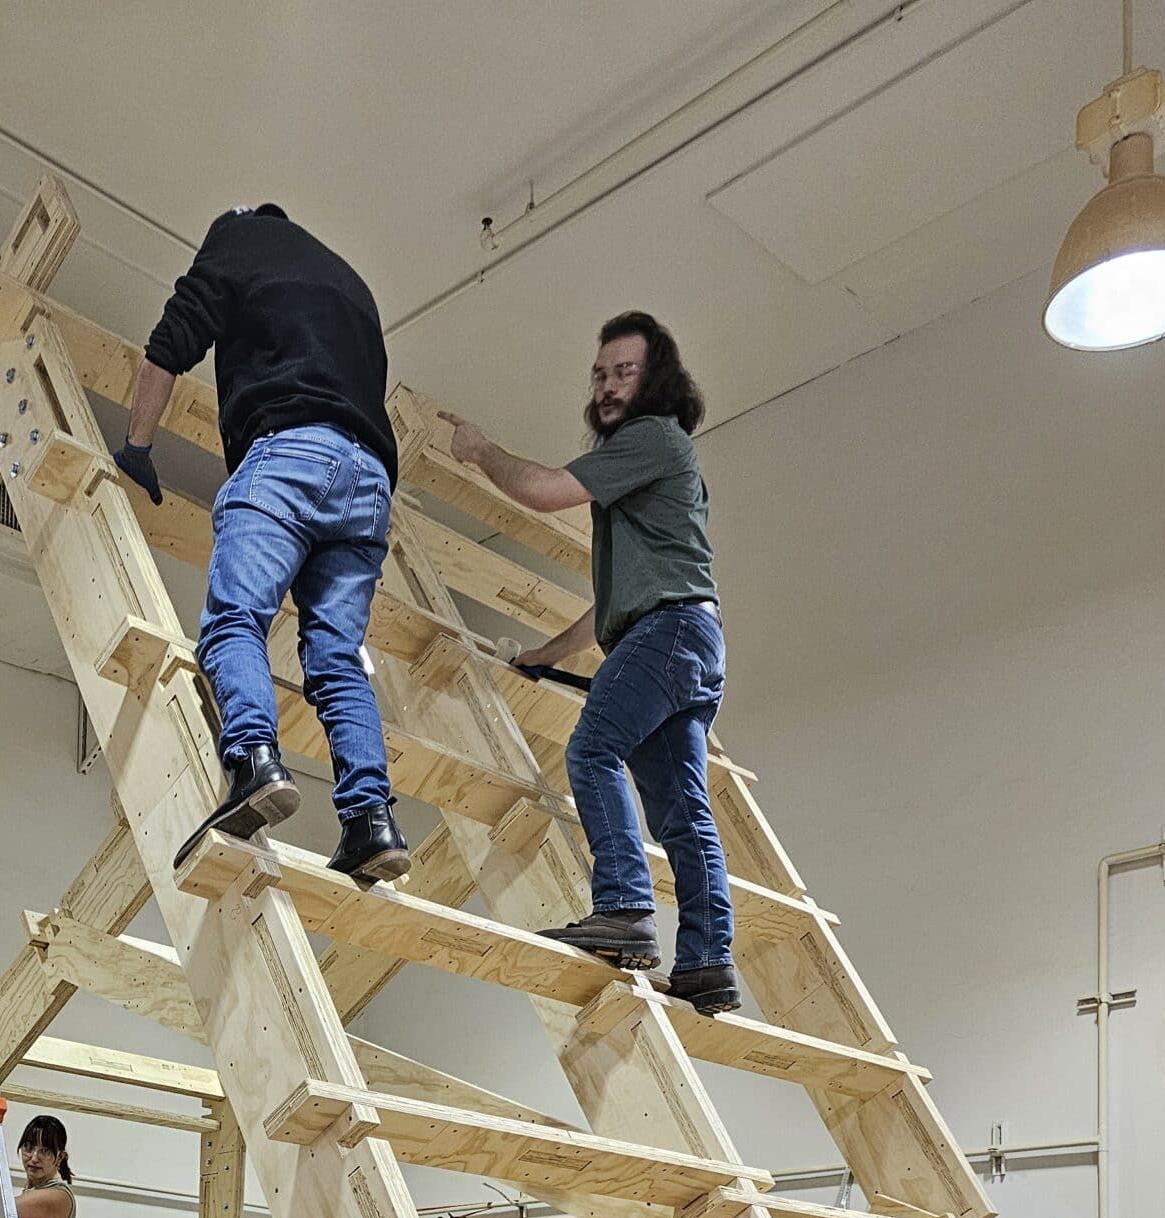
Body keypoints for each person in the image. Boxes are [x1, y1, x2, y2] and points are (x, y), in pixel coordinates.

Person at [442, 313, 739, 1015]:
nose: (607, 387)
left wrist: (481, 450)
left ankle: (626, 909)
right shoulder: (650, 474)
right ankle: (708, 962)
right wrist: (543, 656)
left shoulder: (653, 436)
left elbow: (545, 491)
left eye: (623, 372)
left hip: (670, 634)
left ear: (655, 379)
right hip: (689, 639)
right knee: (683, 811)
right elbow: (614, 607)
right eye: (600, 375)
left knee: (592, 748)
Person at [114, 204, 410, 888]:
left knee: (234, 621)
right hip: (370, 484)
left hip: (290, 454)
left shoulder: (240, 234)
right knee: (337, 658)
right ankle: (371, 821)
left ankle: (254, 760)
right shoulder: (353, 285)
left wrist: (137, 447)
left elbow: (171, 341)